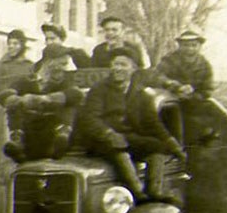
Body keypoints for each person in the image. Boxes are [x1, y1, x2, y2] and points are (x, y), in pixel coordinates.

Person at [75, 47, 183, 204]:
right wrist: (109, 134)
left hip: (128, 139)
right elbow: (90, 119)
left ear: (133, 69)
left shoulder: (141, 94)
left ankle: (154, 191)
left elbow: (153, 123)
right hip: (101, 141)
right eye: (114, 64)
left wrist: (173, 145)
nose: (117, 68)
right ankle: (138, 193)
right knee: (119, 148)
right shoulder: (98, 90)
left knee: (157, 146)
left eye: (123, 65)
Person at [0, 46, 84, 162]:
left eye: (65, 65)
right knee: (13, 104)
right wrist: (23, 101)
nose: (63, 69)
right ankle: (16, 138)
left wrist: (47, 99)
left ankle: (63, 132)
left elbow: (77, 94)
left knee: (70, 102)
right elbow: (4, 96)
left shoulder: (65, 82)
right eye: (60, 65)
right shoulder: (26, 81)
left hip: (53, 136)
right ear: (48, 62)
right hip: (29, 134)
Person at [154, 28, 215, 101]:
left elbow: (208, 89)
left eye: (194, 45)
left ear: (199, 46)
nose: (190, 48)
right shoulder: (169, 60)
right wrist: (177, 87)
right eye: (186, 45)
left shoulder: (204, 65)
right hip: (170, 97)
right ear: (180, 46)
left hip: (194, 100)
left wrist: (194, 95)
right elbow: (158, 77)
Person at [0, 29, 35, 94]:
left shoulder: (30, 65)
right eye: (9, 43)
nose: (11, 46)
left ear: (22, 46)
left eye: (15, 43)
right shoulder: (2, 65)